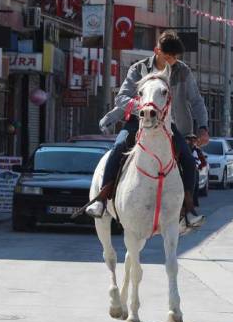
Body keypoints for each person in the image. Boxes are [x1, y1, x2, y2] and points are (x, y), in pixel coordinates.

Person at [86, 30, 209, 229]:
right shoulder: (138, 69)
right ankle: (102, 198)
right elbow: (121, 98)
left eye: (175, 58)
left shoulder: (182, 71)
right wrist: (144, 109)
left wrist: (203, 127)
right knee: (118, 148)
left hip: (169, 125)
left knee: (187, 158)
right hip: (139, 121)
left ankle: (188, 210)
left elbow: (196, 102)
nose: (171, 62)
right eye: (167, 57)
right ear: (156, 51)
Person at [185, 133, 207, 209]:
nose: (191, 142)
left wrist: (198, 167)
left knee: (194, 187)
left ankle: (193, 203)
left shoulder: (197, 150)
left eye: (193, 140)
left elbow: (203, 162)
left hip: (194, 171)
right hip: (185, 171)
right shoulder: (184, 149)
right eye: (189, 140)